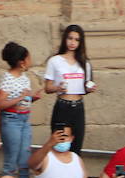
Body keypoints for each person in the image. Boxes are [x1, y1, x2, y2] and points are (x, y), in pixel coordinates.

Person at [44, 25, 94, 155]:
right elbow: (47, 87)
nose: (72, 43)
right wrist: (57, 87)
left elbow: (85, 85)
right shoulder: (55, 61)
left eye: (76, 40)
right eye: (70, 38)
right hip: (63, 105)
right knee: (59, 144)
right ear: (64, 39)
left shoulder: (84, 63)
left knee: (76, 145)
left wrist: (90, 88)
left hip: (78, 106)